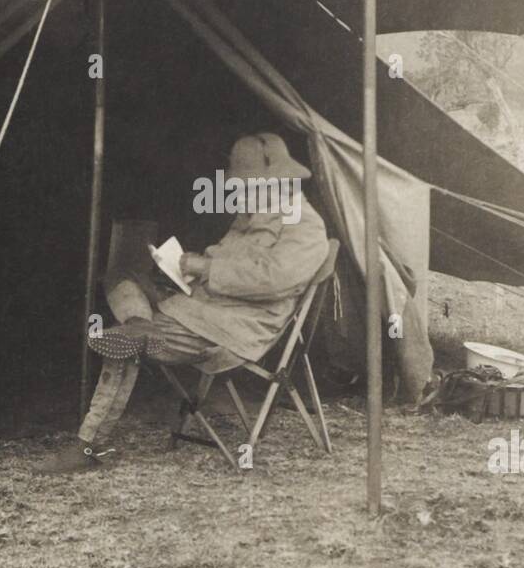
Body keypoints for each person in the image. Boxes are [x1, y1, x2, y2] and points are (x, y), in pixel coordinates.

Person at [34, 133, 329, 473]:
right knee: (121, 277)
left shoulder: (305, 226)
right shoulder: (254, 215)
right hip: (200, 309)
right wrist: (189, 266)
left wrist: (207, 268)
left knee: (123, 343)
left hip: (235, 328)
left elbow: (274, 280)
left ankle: (88, 446)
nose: (243, 193)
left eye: (250, 185)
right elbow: (224, 258)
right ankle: (139, 322)